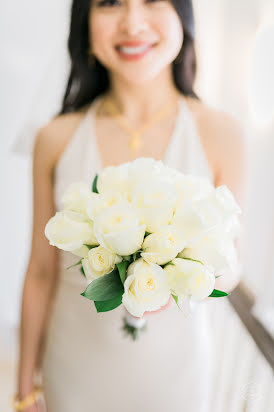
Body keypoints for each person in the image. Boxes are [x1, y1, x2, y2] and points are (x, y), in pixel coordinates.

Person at [14, 0, 245, 410]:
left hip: (178, 371)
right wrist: (24, 386)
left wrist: (178, 275)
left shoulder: (221, 132)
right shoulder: (54, 138)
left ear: (183, 18)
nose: (133, 23)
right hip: (75, 364)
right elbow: (39, 273)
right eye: (109, 3)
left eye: (152, 0)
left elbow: (232, 262)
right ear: (85, 25)